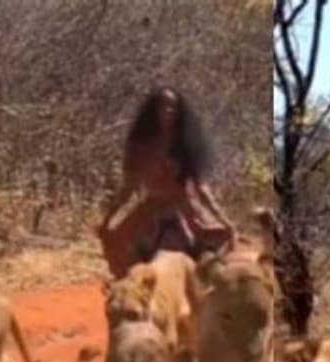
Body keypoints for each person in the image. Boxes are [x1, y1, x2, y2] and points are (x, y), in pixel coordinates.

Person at [97, 87, 235, 277]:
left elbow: (200, 186)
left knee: (212, 253)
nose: (167, 110)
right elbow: (130, 187)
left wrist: (222, 217)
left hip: (184, 209)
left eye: (172, 106)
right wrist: (110, 217)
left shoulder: (185, 144)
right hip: (149, 210)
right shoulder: (142, 145)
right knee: (117, 242)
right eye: (162, 105)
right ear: (153, 110)